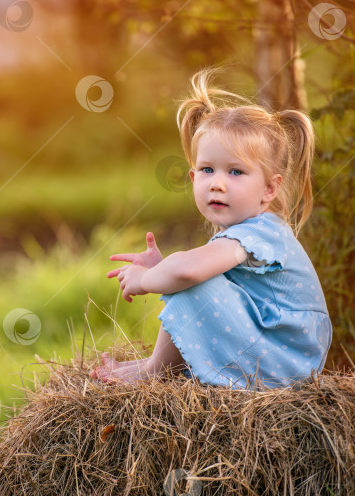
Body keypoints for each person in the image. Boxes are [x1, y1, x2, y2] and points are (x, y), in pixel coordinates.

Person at [91, 68, 332, 389]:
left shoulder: (259, 232)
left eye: (235, 172)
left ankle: (152, 372)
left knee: (191, 280)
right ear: (193, 178)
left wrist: (147, 279)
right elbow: (190, 274)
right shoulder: (247, 230)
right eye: (207, 170)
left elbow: (187, 271)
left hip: (283, 363)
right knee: (188, 278)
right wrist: (164, 269)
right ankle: (151, 367)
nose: (217, 183)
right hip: (273, 353)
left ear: (269, 189)